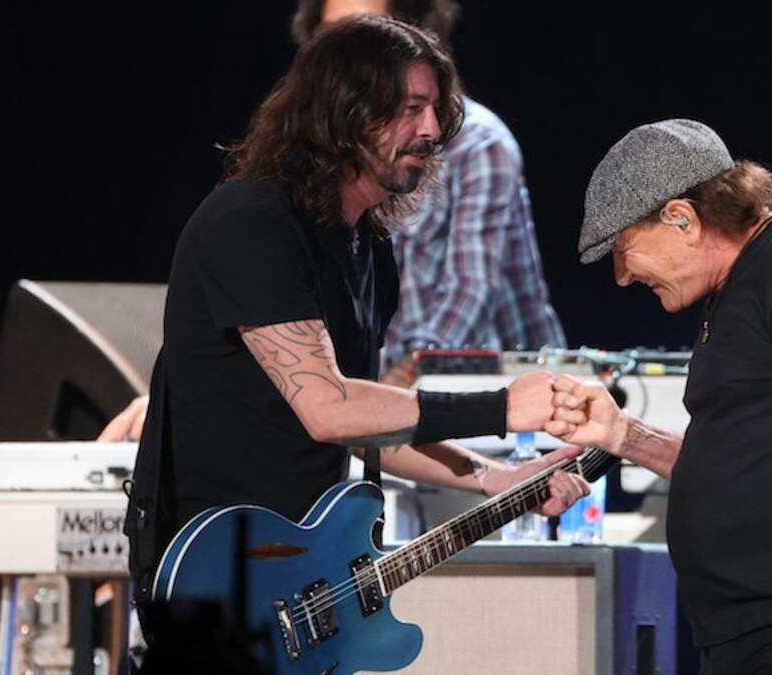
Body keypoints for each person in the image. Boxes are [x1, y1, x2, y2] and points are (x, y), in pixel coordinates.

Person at [123, 14, 588, 653]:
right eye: (409, 109)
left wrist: (494, 476)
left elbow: (365, 423)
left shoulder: (367, 246)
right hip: (215, 582)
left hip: (297, 583)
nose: (431, 130)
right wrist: (502, 408)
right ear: (343, 115)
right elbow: (329, 408)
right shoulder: (253, 223)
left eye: (435, 110)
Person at [99, 0, 566, 438]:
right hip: (404, 407)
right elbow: (315, 381)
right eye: (336, 37)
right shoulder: (264, 216)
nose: (429, 128)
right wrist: (189, 401)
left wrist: (364, 403)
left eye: (370, 36)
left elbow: (462, 307)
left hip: (491, 399)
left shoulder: (463, 154)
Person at [546, 119, 772, 675]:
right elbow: (738, 465)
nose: (621, 277)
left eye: (623, 248)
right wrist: (624, 435)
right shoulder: (738, 287)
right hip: (747, 632)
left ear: (681, 218)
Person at [294, 0, 567, 386]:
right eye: (332, 35)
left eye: (369, 32)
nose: (349, 53)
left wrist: (394, 385)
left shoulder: (479, 143)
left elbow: (469, 294)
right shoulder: (323, 150)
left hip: (496, 384)